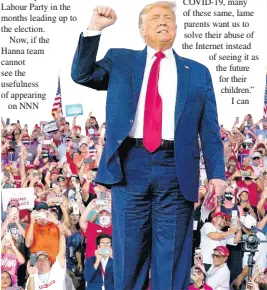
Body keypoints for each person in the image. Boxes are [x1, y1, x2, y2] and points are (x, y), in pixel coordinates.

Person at [71, 2, 227, 289]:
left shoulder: (198, 72)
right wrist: (93, 28)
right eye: (155, 17)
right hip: (130, 165)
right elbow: (82, 75)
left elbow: (209, 128)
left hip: (177, 169)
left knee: (172, 259)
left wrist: (217, 172)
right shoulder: (120, 61)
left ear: (177, 28)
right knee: (129, 255)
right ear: (141, 29)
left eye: (169, 17)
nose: (163, 21)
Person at [25, 224, 67, 290]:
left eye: (45, 258)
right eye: (38, 259)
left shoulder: (57, 270)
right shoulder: (33, 277)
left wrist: (61, 235)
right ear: (35, 263)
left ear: (50, 262)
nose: (42, 261)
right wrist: (32, 275)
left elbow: (62, 252)